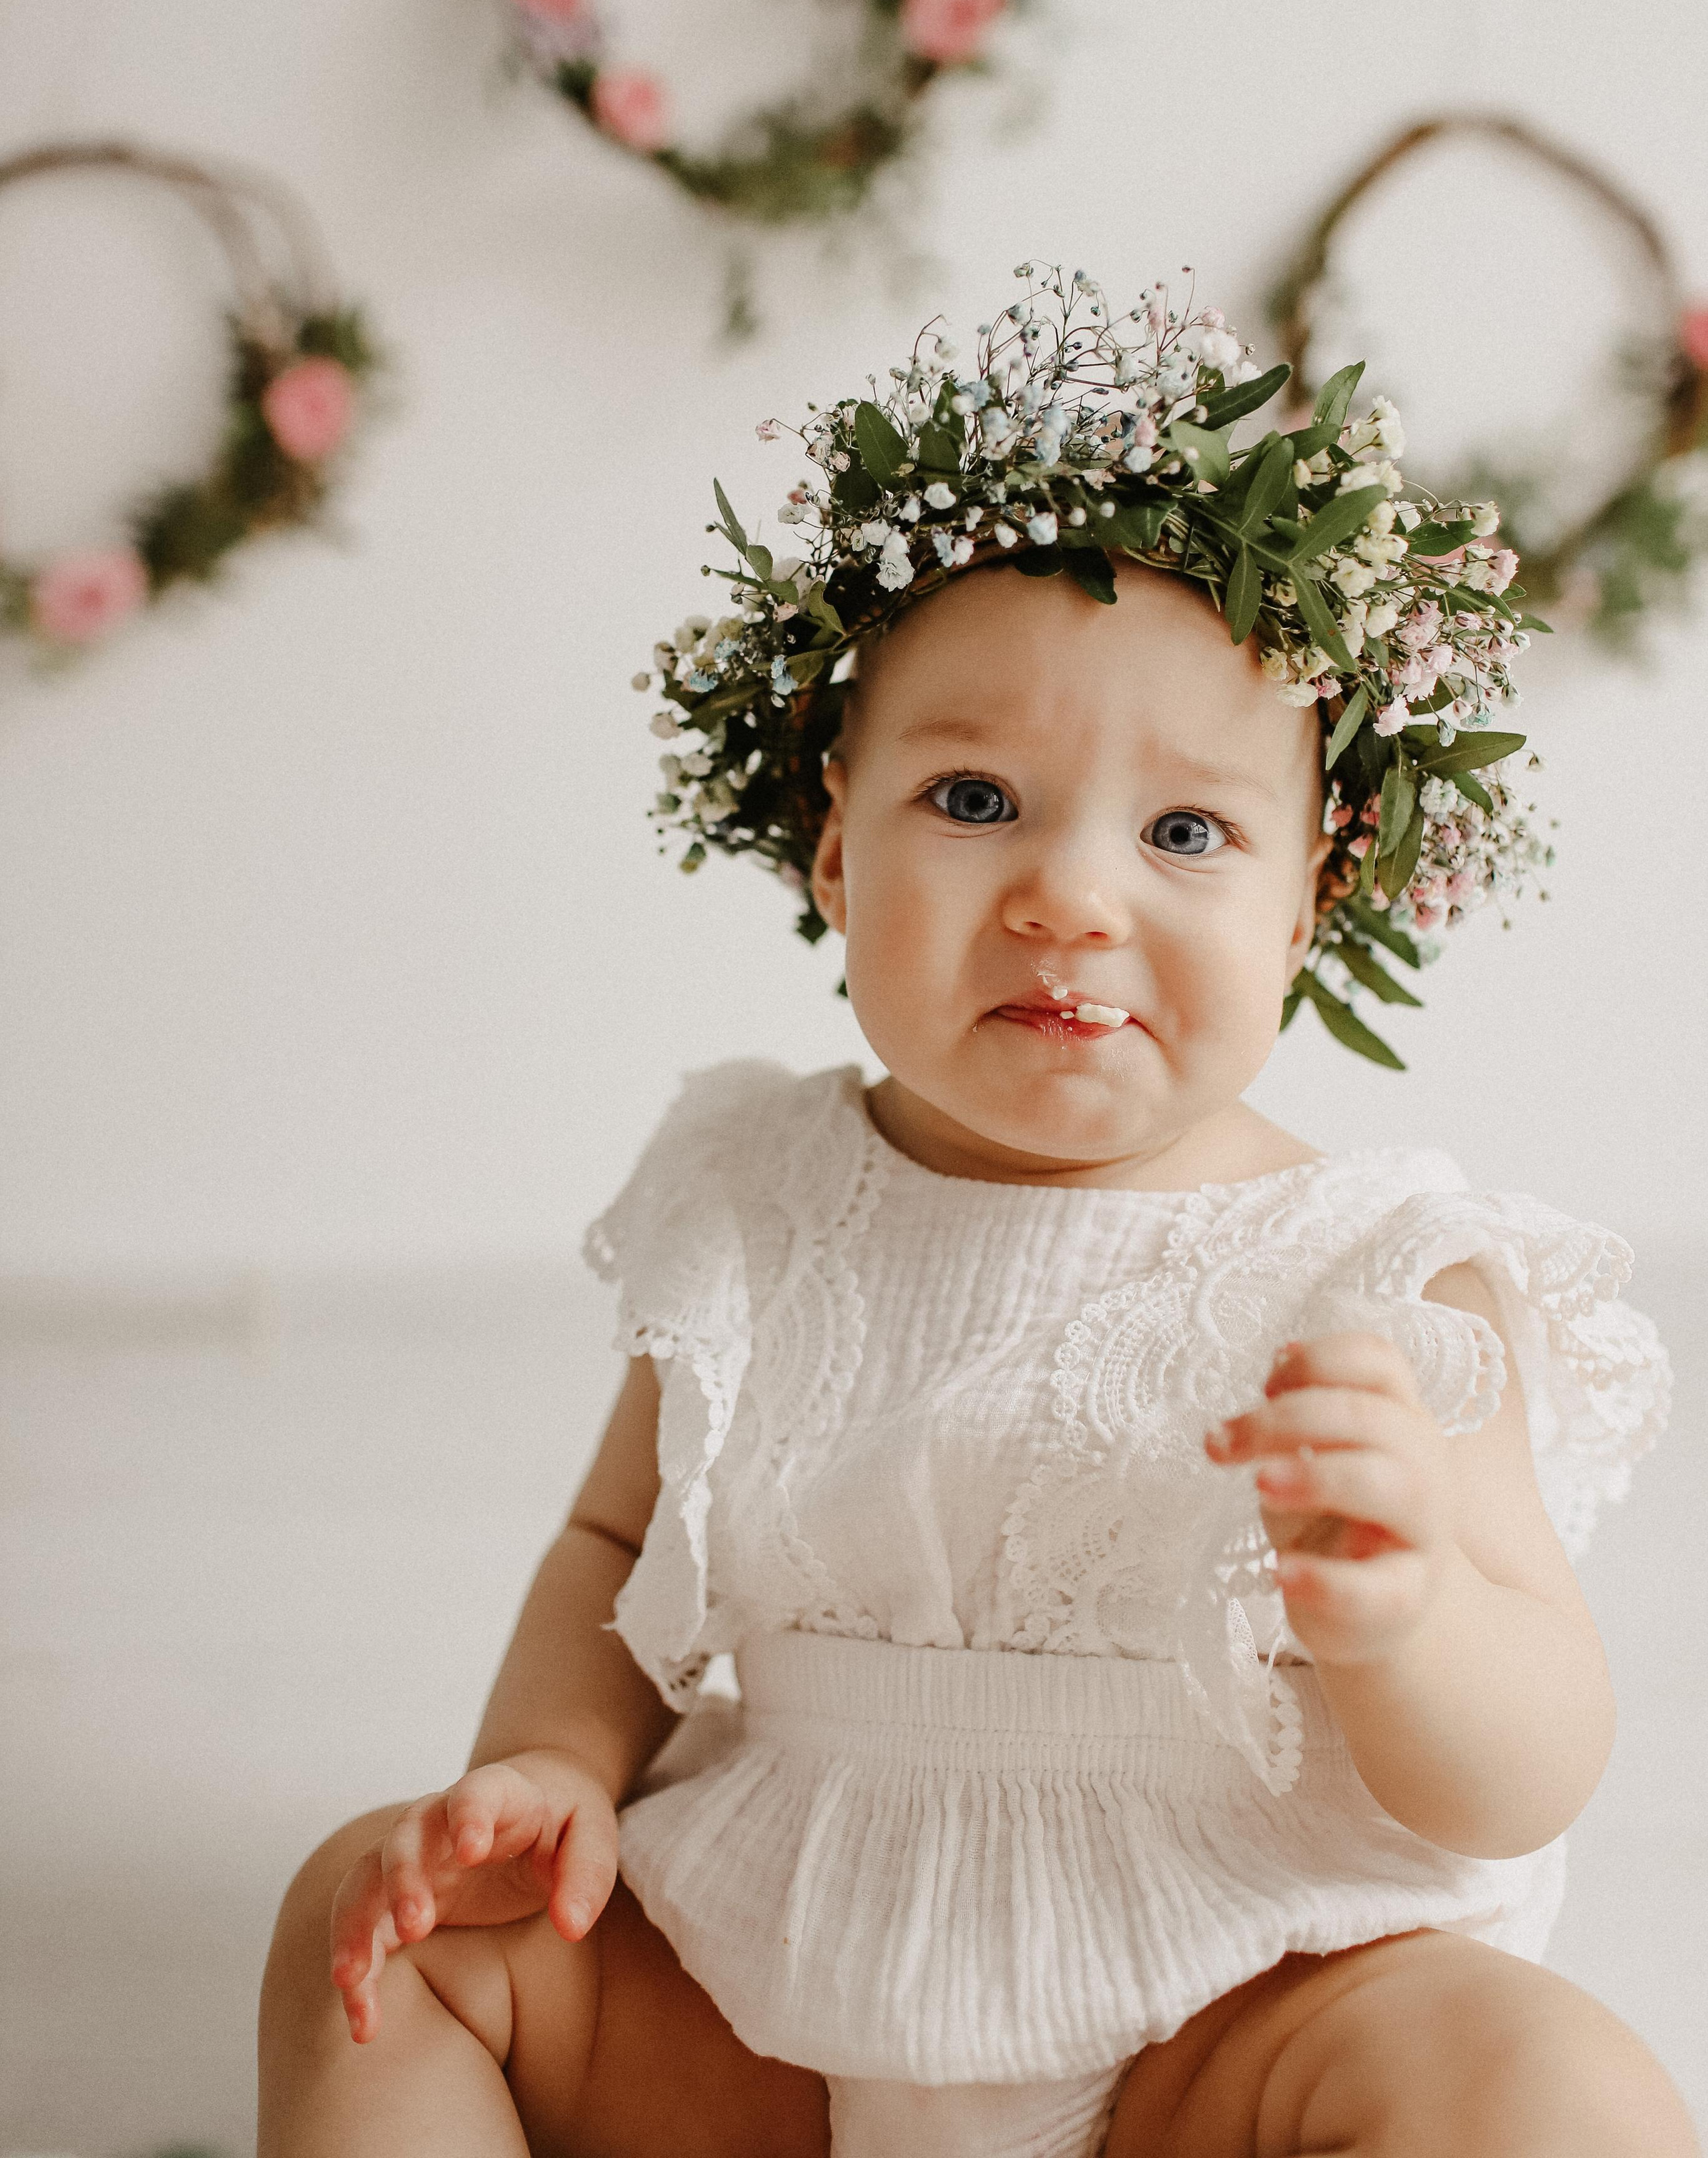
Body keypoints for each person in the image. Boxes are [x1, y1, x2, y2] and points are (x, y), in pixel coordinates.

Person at [260, 270, 1692, 2157]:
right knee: (381, 1922)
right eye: (974, 797)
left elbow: (1533, 1767)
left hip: (1223, 2014)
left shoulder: (1381, 1280)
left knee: (1549, 2089)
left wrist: (1411, 1617)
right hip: (774, 1983)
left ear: (1307, 904)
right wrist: (551, 1762)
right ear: (835, 851)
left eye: (1185, 832)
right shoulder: (757, 1196)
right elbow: (618, 1542)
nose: (1071, 897)